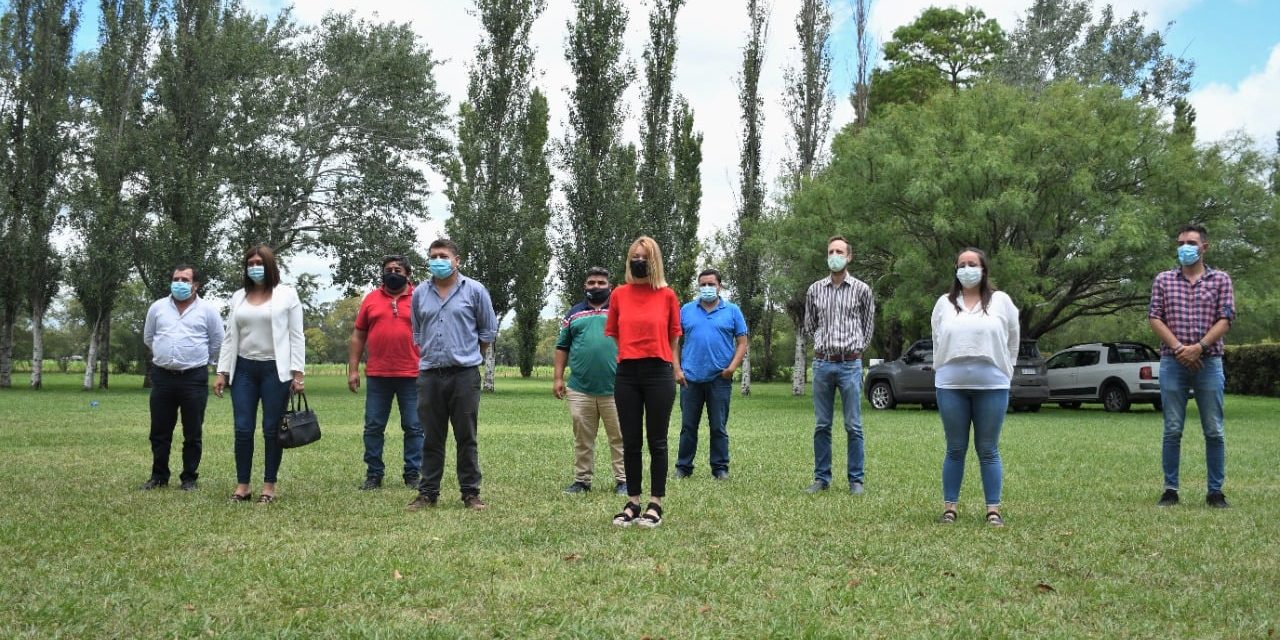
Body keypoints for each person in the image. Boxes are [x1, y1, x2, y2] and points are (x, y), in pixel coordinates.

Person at [406, 238, 498, 512]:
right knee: (431, 437)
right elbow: (418, 333)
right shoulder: (420, 293)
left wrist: (470, 356)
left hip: (464, 375)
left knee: (466, 436)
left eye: (443, 255)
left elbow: (487, 332)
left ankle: (470, 493)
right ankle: (427, 493)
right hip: (430, 375)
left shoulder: (475, 290)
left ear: (457, 260)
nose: (438, 260)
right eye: (433, 255)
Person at [930, 248, 1018, 527]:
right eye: (962, 264)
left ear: (983, 269)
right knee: (955, 448)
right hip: (951, 384)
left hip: (992, 385)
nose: (967, 269)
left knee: (988, 448)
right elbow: (937, 339)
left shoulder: (1001, 301)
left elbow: (1013, 338)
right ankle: (949, 508)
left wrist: (1007, 369)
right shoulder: (944, 303)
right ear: (955, 269)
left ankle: (993, 510)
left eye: (973, 264)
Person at [1149, 223, 1235, 509]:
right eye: (1180, 242)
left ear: (1204, 247)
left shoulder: (1221, 280)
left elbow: (1226, 318)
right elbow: (1155, 317)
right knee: (1172, 429)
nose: (1184, 247)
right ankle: (1170, 489)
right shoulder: (1163, 280)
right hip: (1172, 362)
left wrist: (1199, 347)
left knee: (1214, 429)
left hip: (1209, 362)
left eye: (1191, 242)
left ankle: (1215, 492)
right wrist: (1178, 349)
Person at [214, 245, 305, 504]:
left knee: (271, 429)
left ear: (270, 265)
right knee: (243, 429)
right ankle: (242, 485)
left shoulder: (287, 294)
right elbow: (230, 336)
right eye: (250, 263)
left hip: (275, 371)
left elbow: (296, 335)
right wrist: (222, 371)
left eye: (259, 262)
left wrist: (298, 374)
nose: (255, 267)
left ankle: (268, 486)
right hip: (243, 369)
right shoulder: (238, 297)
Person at [606, 236, 684, 528]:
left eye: (644, 257)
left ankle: (656, 503)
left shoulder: (667, 296)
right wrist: (628, 354)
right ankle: (633, 502)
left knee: (657, 441)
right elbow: (613, 332)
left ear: (654, 261)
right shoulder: (618, 295)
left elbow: (674, 335)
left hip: (658, 372)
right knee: (631, 441)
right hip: (627, 373)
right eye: (634, 256)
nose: (639, 261)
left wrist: (674, 366)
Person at [140, 264, 223, 491]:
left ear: (196, 285)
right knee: (159, 431)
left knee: (193, 432)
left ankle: (189, 478)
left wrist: (207, 363)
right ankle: (158, 477)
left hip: (193, 378)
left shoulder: (207, 310)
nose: (179, 283)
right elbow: (149, 337)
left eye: (185, 280)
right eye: (176, 279)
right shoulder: (157, 308)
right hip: (162, 377)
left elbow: (217, 341)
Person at [803, 235, 875, 495]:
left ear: (849, 257)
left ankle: (856, 480)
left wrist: (856, 350)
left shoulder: (862, 290)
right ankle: (822, 478)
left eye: (840, 251)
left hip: (850, 365)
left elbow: (868, 327)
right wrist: (823, 345)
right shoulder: (815, 290)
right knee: (822, 424)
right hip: (823, 364)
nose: (835, 255)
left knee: (853, 425)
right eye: (831, 251)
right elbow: (810, 325)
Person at [349, 255, 425, 491]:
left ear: (407, 274)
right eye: (388, 269)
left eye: (398, 270)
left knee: (414, 427)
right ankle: (374, 474)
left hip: (412, 374)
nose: (393, 273)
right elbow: (358, 335)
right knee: (373, 426)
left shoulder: (420, 298)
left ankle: (412, 474)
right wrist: (353, 370)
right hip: (378, 375)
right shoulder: (371, 299)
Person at [554, 267, 628, 496]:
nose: (596, 286)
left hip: (617, 387)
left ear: (610, 287)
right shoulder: (573, 314)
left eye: (600, 282)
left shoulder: (621, 311)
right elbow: (562, 346)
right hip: (580, 389)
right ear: (585, 286)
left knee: (620, 437)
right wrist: (558, 378)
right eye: (591, 282)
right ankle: (582, 481)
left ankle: (624, 481)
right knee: (583, 438)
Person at [674, 269, 748, 480]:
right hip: (690, 379)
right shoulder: (686, 310)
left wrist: (732, 367)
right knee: (688, 426)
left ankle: (720, 468)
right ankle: (683, 467)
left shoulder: (732, 310)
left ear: (719, 286)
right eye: (703, 284)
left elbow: (742, 342)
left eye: (711, 284)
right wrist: (677, 369)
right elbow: (675, 342)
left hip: (720, 379)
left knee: (718, 427)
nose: (707, 288)